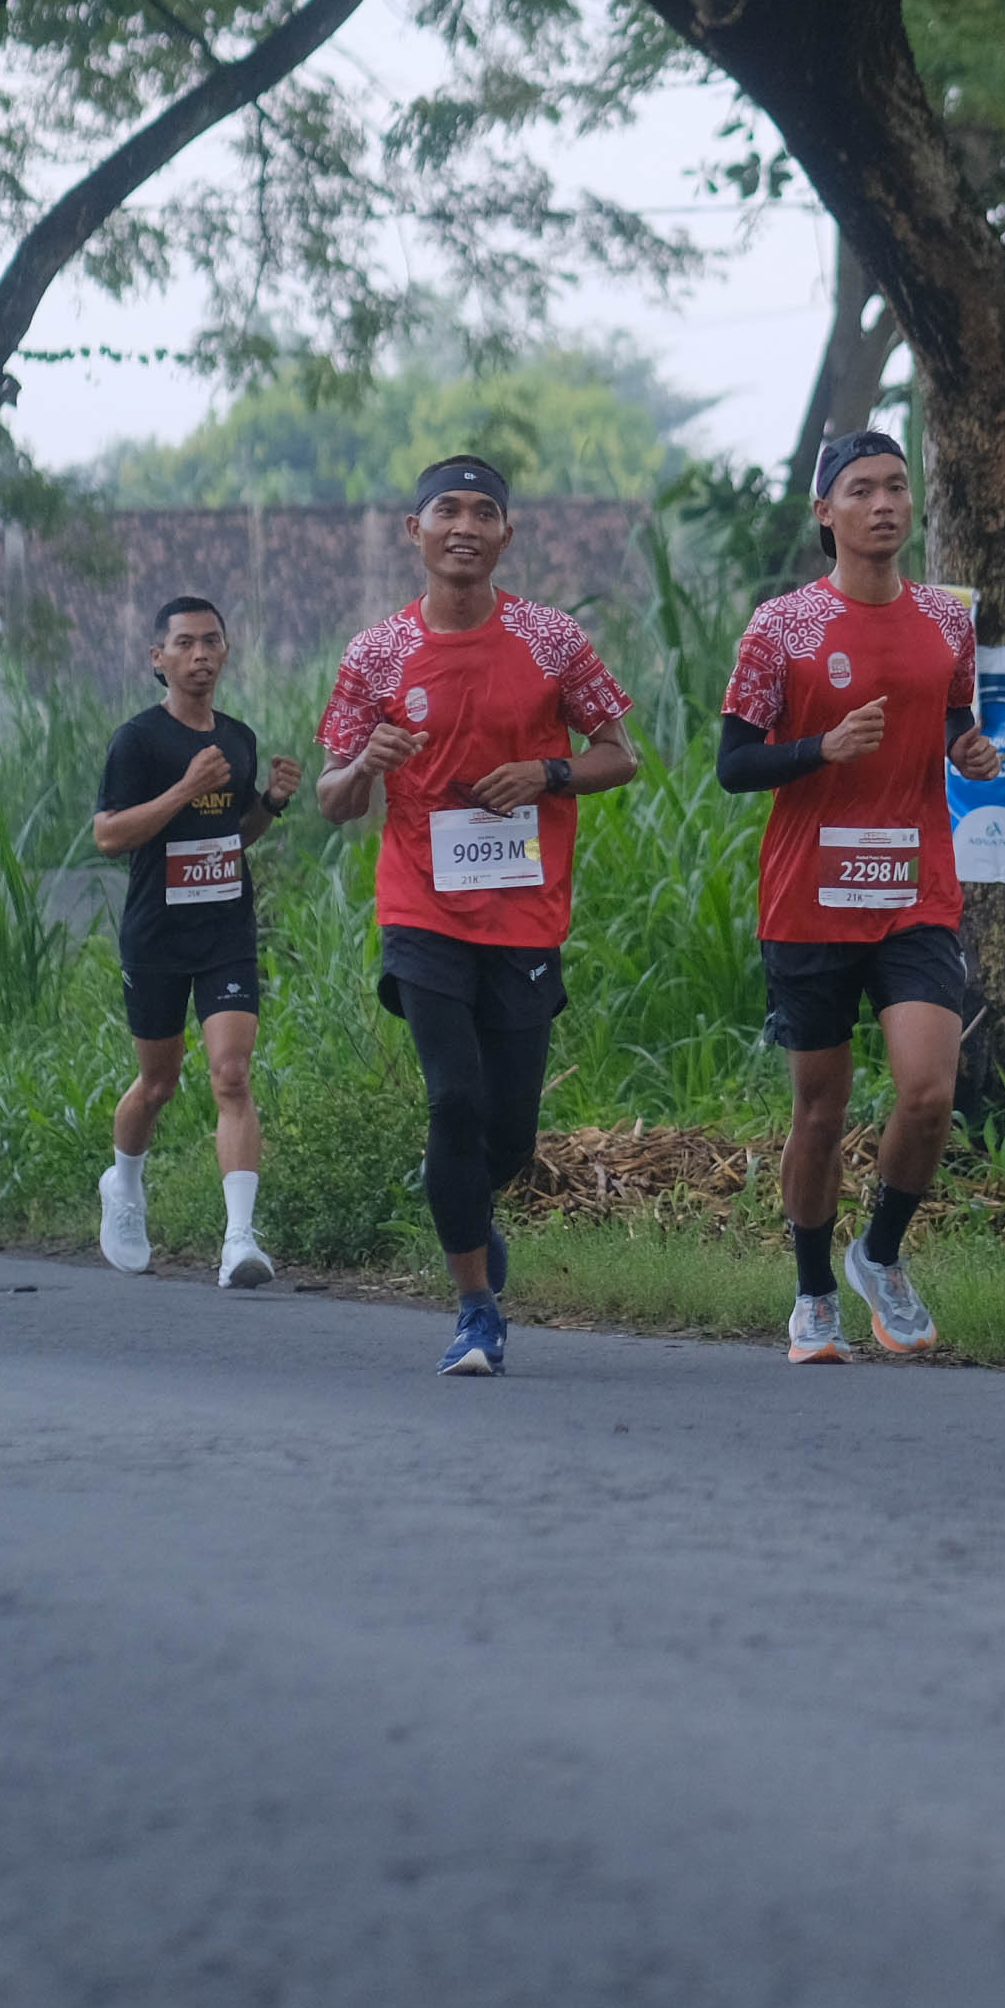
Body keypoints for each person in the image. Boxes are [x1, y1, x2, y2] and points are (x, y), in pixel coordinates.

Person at [314, 454, 641, 1376]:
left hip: (526, 914)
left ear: (507, 533)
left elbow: (621, 753)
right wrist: (365, 765)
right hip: (421, 907)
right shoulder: (376, 653)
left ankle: (460, 1197)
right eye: (446, 510)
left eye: (483, 512)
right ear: (412, 530)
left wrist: (548, 772)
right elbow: (333, 800)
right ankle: (476, 1308)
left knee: (506, 1136)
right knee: (453, 1098)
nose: (464, 526)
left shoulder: (551, 638)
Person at [720, 431, 1004, 1359]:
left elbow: (951, 713)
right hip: (811, 898)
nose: (884, 504)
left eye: (896, 487)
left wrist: (966, 748)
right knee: (821, 1110)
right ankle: (812, 1295)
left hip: (915, 889)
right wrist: (821, 749)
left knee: (928, 1092)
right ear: (825, 511)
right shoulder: (782, 626)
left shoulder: (947, 620)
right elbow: (734, 764)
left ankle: (877, 1255)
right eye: (861, 490)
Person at [91, 597, 305, 1287]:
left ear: (227, 650)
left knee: (231, 1075)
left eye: (212, 641)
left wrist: (269, 803)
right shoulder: (138, 741)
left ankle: (239, 1239)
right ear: (158, 658)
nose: (201, 655)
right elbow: (108, 837)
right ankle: (124, 1186)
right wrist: (185, 788)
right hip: (157, 932)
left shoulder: (238, 739)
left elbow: (234, 837)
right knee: (158, 1083)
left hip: (225, 930)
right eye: (185, 643)